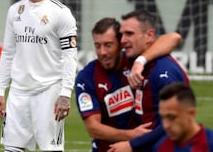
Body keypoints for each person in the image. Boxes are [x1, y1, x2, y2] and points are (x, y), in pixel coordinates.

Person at [0, 0, 78, 152]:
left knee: (51, 149)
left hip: (48, 91)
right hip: (18, 92)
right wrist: (0, 90)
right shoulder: (15, 11)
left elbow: (69, 56)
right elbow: (8, 53)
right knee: (12, 148)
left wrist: (65, 93)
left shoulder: (61, 13)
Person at [75, 17, 182, 152]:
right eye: (97, 45)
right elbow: (93, 128)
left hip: (142, 146)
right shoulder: (87, 77)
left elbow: (174, 37)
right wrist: (131, 136)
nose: (102, 52)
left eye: (108, 45)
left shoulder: (134, 60)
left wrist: (140, 62)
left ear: (121, 44)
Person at [108, 10, 189, 152]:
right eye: (122, 35)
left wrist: (131, 145)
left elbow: (174, 121)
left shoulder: (163, 72)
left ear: (149, 35)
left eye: (129, 34)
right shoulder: (136, 62)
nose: (122, 40)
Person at [152, 83, 213, 151]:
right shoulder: (161, 147)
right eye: (163, 117)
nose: (166, 126)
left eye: (172, 117)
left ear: (191, 113)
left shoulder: (210, 145)